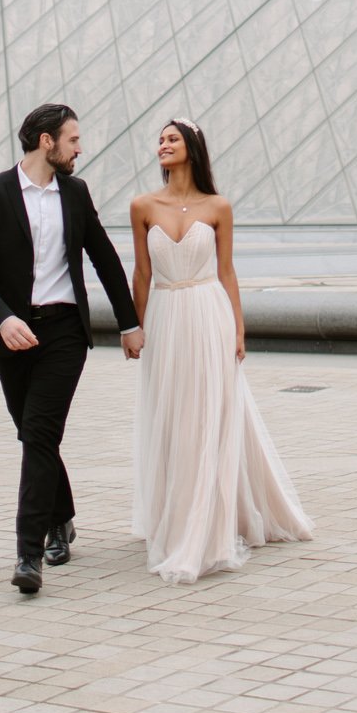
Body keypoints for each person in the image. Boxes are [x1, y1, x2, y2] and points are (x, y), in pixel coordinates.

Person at [0, 102, 145, 596]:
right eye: (73, 140)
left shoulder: (76, 192)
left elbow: (105, 259)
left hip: (64, 331)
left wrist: (129, 324)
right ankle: (61, 517)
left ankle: (28, 554)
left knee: (40, 433)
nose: (79, 149)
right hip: (14, 335)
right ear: (47, 141)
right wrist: (3, 319)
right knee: (33, 434)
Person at [130, 118, 312, 584]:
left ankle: (207, 522)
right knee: (173, 416)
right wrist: (134, 325)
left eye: (172, 139)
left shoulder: (218, 206)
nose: (162, 146)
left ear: (191, 147)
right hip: (166, 318)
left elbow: (228, 271)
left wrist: (238, 328)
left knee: (210, 414)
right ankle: (179, 513)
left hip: (209, 314)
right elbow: (142, 273)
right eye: (160, 140)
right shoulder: (142, 205)